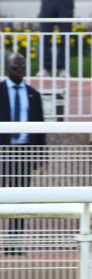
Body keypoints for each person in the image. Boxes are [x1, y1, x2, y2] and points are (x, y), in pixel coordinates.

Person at [0, 53, 46, 254]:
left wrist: (42, 158)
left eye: (22, 66)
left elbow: (40, 129)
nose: (20, 70)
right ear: (7, 68)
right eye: (15, 66)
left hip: (24, 154)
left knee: (20, 199)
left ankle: (14, 244)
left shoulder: (33, 94)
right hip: (2, 152)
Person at [37, 0, 75, 77]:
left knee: (66, 38)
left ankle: (63, 67)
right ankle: (45, 67)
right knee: (45, 37)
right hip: (48, 4)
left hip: (65, 4)